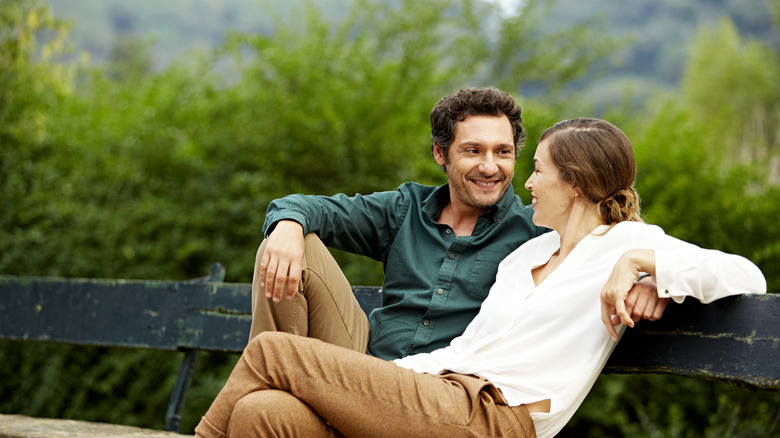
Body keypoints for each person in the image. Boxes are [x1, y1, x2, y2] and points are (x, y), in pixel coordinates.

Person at [195, 118, 766, 437]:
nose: (528, 184)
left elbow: (746, 274)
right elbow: (469, 348)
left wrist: (641, 267)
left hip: (497, 418)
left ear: (574, 182)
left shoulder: (626, 241)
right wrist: (369, 383)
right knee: (262, 415)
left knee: (275, 352)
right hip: (444, 394)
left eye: (536, 170)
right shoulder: (524, 258)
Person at [249, 87, 664, 360]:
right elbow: (306, 207)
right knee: (282, 245)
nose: (490, 166)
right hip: (361, 357)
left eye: (503, 152)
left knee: (267, 406)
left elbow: (615, 239)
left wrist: (648, 276)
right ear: (440, 154)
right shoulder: (404, 208)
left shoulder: (538, 233)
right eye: (473, 150)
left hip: (438, 391)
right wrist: (287, 223)